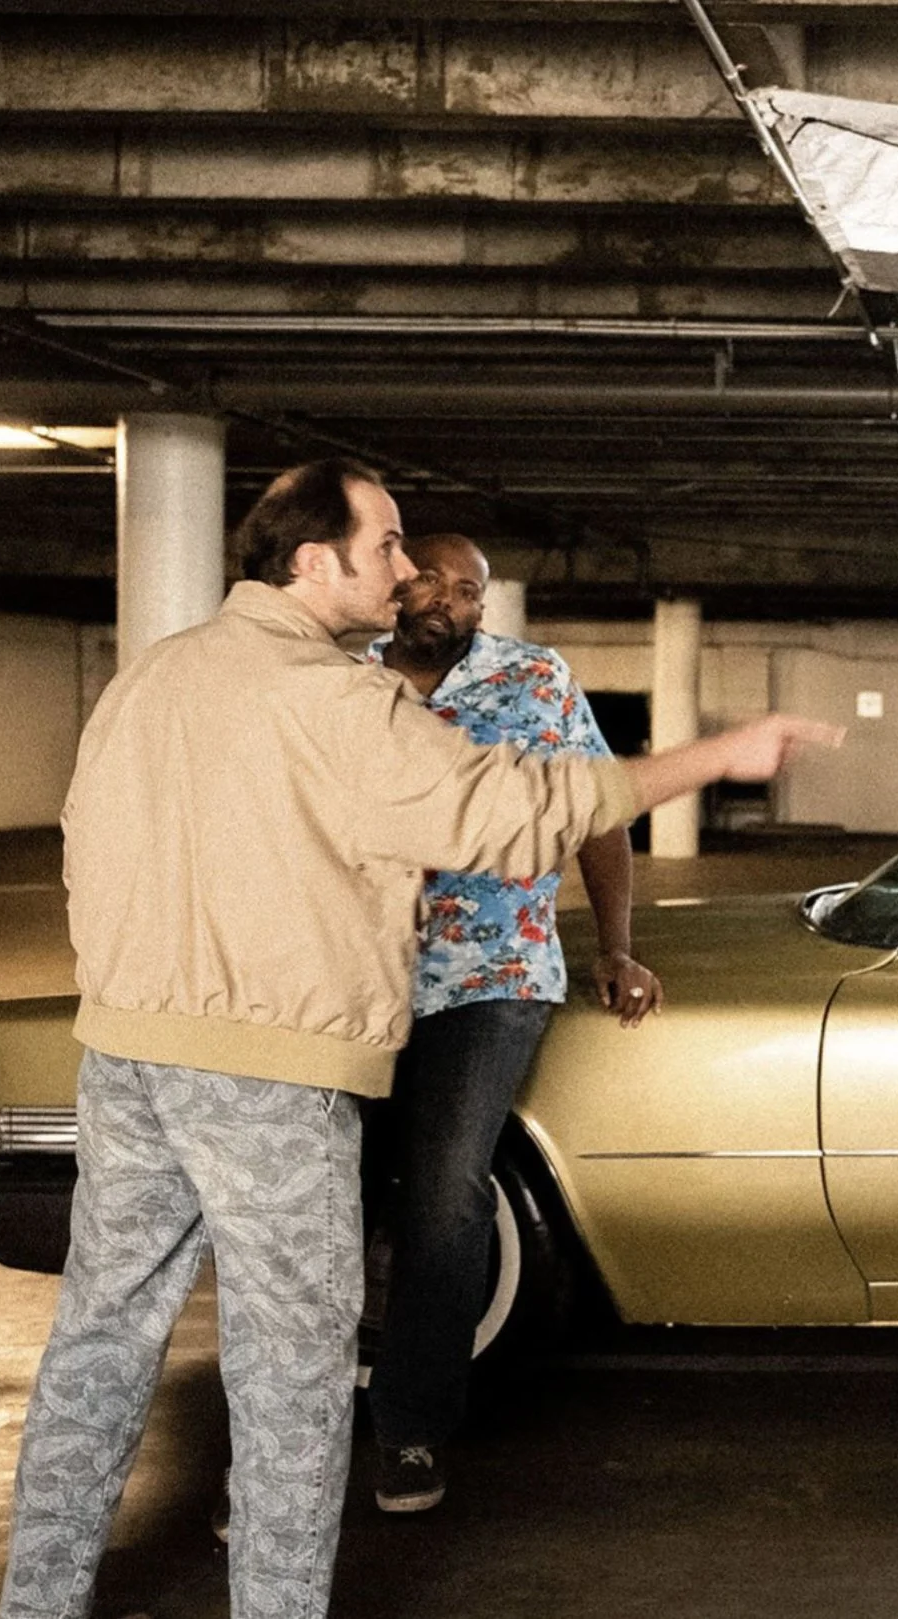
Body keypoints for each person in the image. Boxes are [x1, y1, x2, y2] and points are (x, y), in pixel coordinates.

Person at [1, 458, 840, 1619]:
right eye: (387, 544)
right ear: (311, 560)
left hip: (128, 1061)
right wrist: (713, 754)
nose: (408, 569)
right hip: (269, 1068)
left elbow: (83, 836)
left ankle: (33, 1602)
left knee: (99, 1341)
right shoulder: (337, 700)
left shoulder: (156, 674)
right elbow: (514, 816)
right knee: (292, 1373)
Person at [358, 532, 656, 1514]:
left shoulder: (532, 678)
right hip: (343, 978)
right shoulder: (334, 677)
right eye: (435, 577)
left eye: (472, 589)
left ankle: (408, 1428)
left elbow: (598, 813)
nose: (452, 598)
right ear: (395, 578)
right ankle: (296, 1424)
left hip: (492, 976)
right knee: (314, 1199)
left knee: (446, 1195)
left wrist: (615, 947)